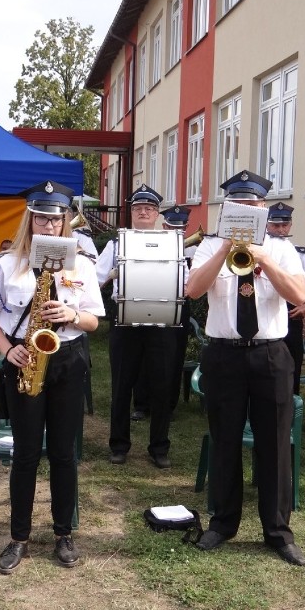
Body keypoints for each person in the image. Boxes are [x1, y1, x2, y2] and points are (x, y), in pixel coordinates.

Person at [0, 181, 104, 574]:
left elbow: (95, 321)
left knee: (64, 453)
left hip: (67, 358)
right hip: (24, 358)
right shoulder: (5, 263)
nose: (49, 226)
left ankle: (64, 533)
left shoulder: (81, 263)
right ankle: (19, 537)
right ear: (30, 219)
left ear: (66, 221)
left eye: (56, 218)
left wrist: (72, 316)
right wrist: (5, 349)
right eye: (41, 218)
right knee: (26, 455)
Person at [185, 170, 305, 565]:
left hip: (270, 353)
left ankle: (278, 531)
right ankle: (222, 523)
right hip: (224, 353)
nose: (246, 211)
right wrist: (225, 250)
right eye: (238, 205)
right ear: (227, 209)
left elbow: (298, 294)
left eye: (253, 205)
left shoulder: (282, 249)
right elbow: (192, 290)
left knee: (274, 443)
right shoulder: (208, 246)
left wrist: (266, 260)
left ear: (263, 209)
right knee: (225, 439)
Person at [96, 185, 178, 469]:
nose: (144, 212)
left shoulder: (172, 242)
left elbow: (186, 281)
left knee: (163, 386)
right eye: (138, 208)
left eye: (149, 209)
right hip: (125, 319)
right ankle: (118, 446)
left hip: (162, 320)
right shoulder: (116, 244)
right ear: (131, 213)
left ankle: (159, 448)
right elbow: (96, 278)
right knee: (121, 384)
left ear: (157, 214)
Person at [130, 205, 194, 420]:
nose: (176, 231)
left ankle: (168, 405)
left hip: (178, 305)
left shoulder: (193, 249)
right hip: (151, 302)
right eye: (171, 227)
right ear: (163, 225)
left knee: (174, 356)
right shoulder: (152, 242)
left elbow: (193, 284)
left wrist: (187, 289)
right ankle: (141, 403)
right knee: (143, 355)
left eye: (181, 228)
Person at [266, 202, 305, 396]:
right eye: (275, 225)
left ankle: (291, 414)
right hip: (266, 312)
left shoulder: (301, 254)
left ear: (290, 225)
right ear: (266, 225)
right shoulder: (260, 252)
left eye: (285, 225)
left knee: (292, 366)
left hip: (292, 315)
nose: (281, 230)